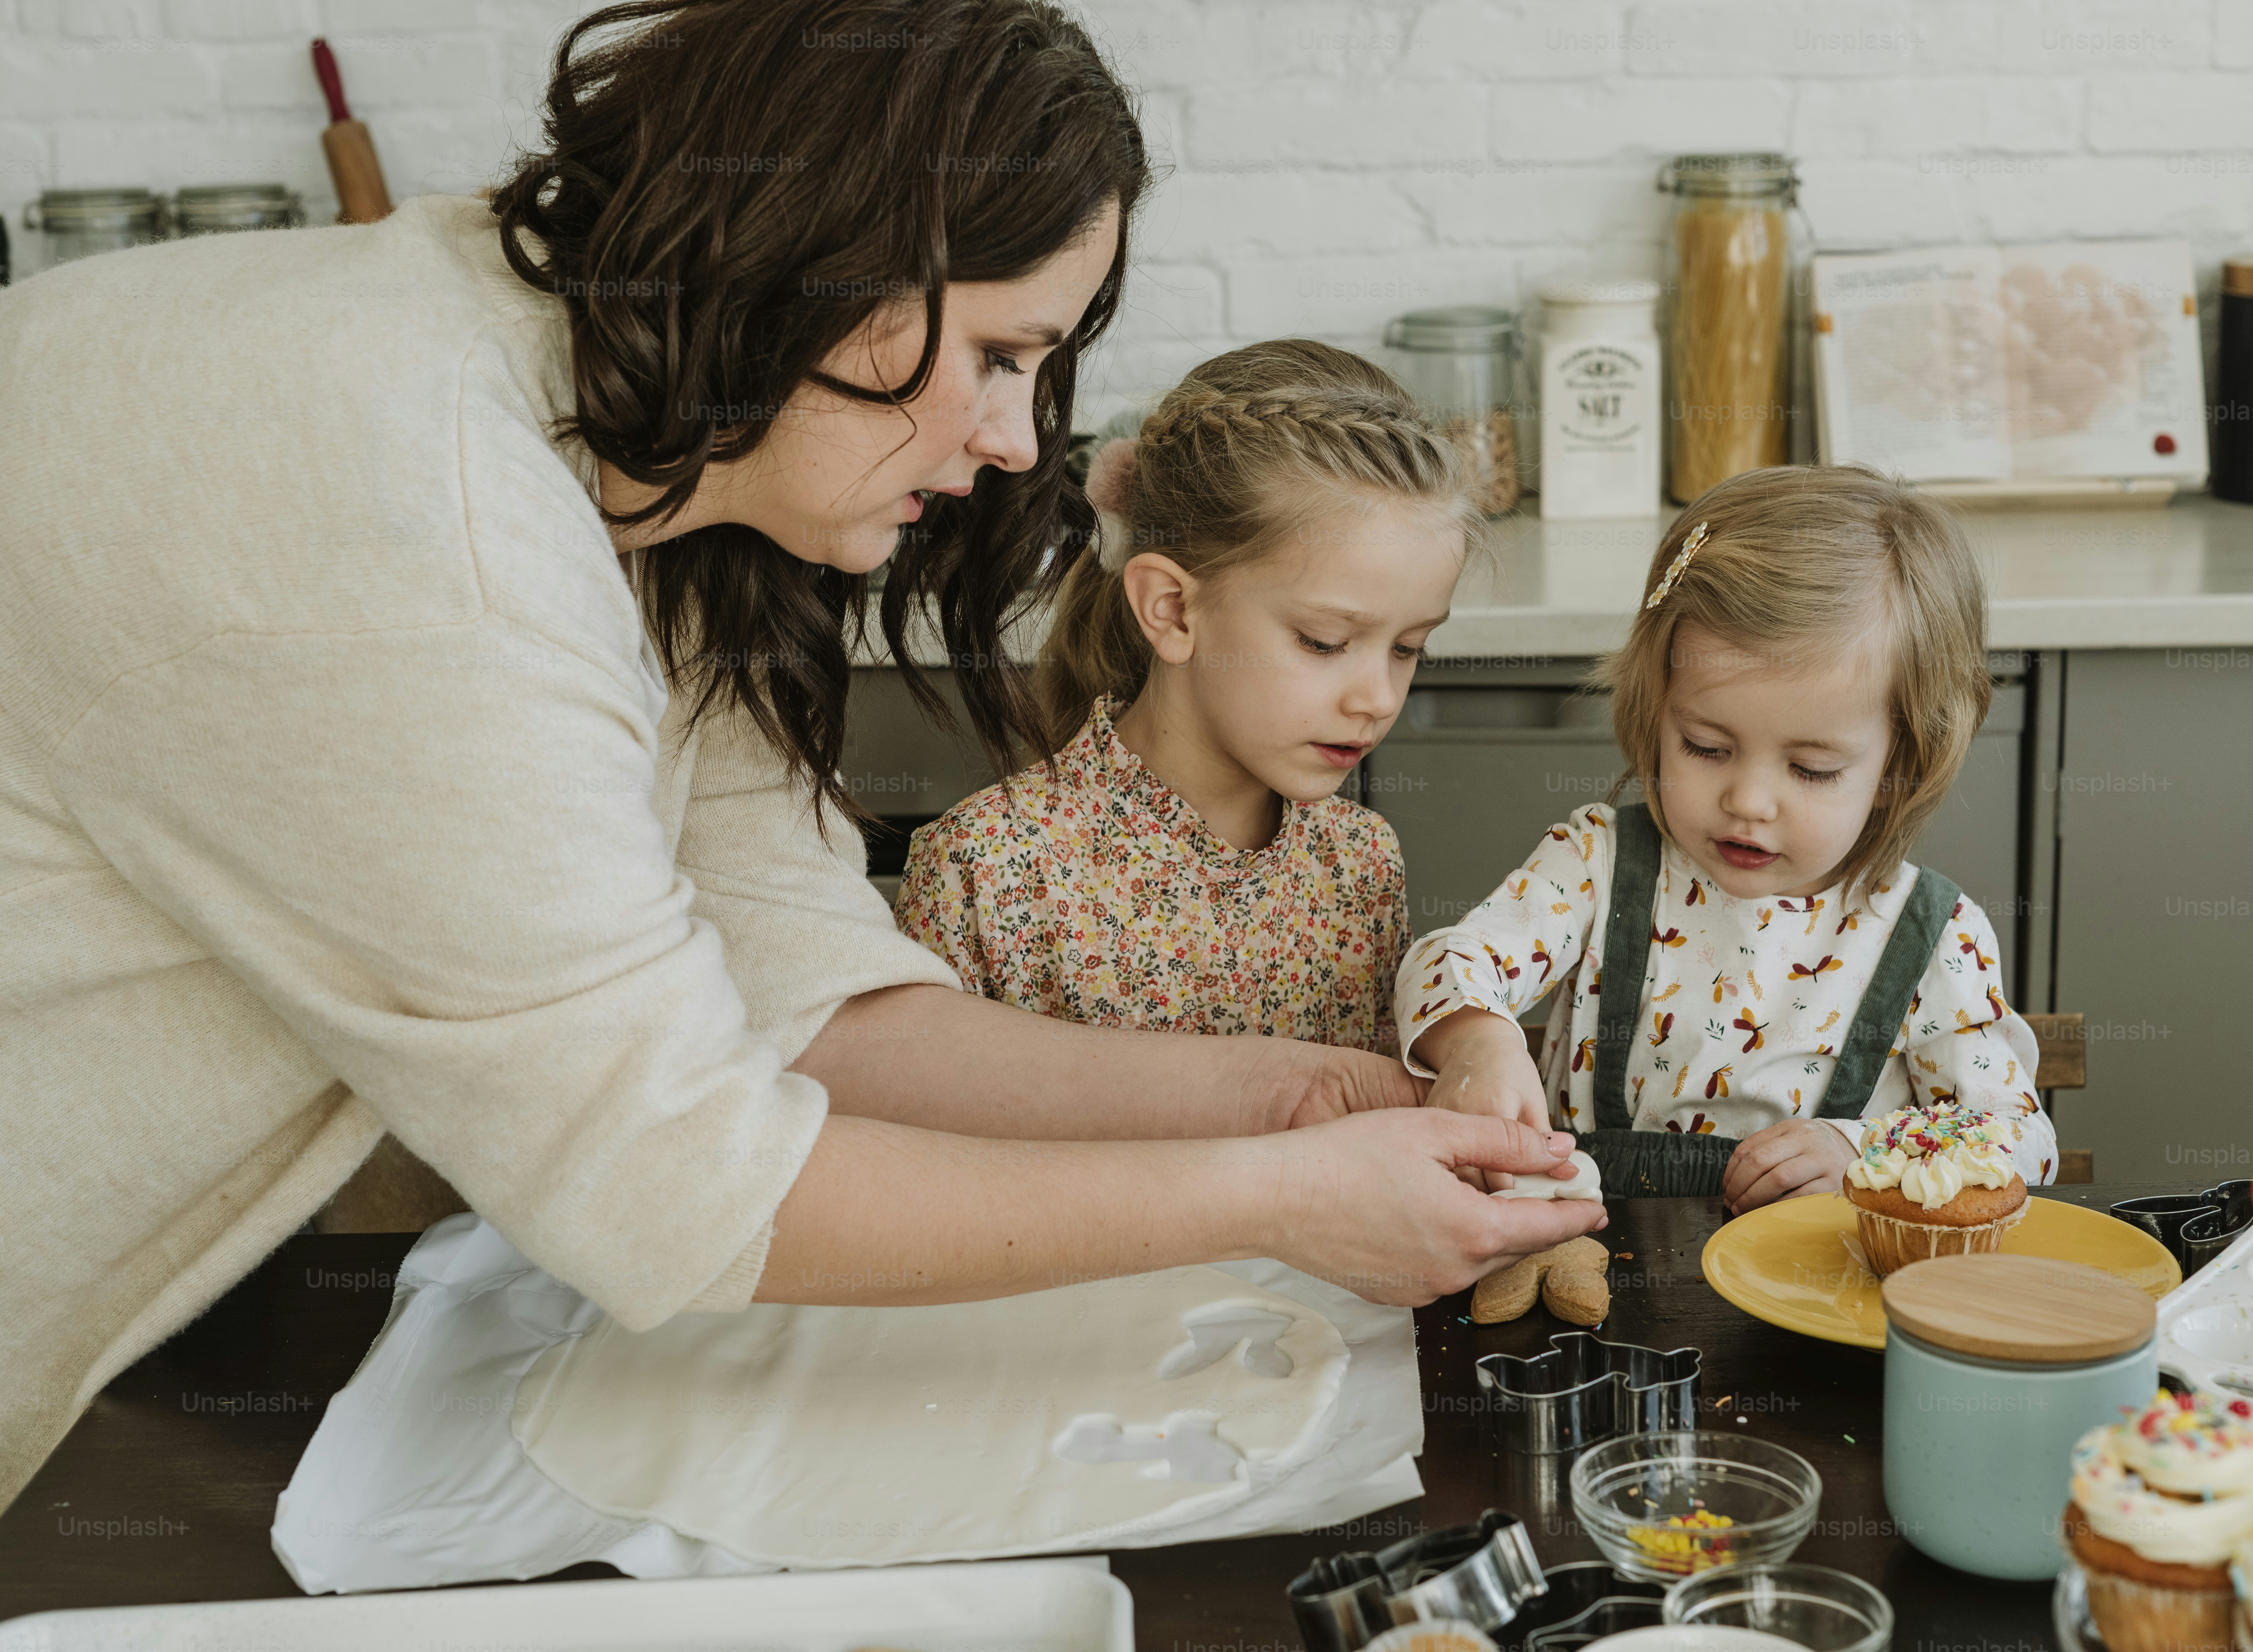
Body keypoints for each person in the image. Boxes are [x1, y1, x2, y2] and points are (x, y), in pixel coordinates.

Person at [0, 0, 1596, 1513]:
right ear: (821, 258)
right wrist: (1284, 1202)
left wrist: (1287, 1101)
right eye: (996, 354)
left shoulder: (646, 453)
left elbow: (806, 997)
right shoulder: (423, 539)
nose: (1018, 445)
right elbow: (686, 1192)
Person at [1397, 465, 2059, 1211]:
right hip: (1603, 1282)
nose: (1747, 800)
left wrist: (1861, 1146)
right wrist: (1480, 1040)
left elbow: (2021, 1139)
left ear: (1903, 762)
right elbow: (1444, 963)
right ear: (1657, 710)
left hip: (1820, 1299)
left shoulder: (1933, 939)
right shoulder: (1597, 868)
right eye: (1706, 748)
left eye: (1811, 769)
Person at [895, 340, 1465, 1057]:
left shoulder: (1362, 864)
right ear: (1171, 610)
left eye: (1409, 648)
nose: (1380, 698)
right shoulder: (985, 871)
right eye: (1323, 642)